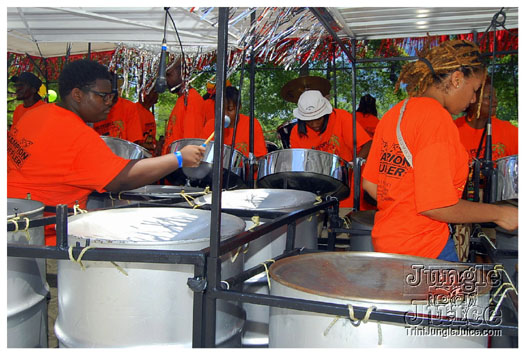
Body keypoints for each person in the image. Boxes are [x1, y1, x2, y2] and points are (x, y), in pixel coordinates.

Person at [7, 59, 205, 245]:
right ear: (77, 95)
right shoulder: (74, 133)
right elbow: (121, 179)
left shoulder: (35, 114)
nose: (110, 102)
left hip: (14, 220)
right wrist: (179, 158)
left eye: (112, 96)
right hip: (39, 239)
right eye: (104, 96)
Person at [362, 39, 518, 261]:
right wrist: (501, 214)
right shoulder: (436, 119)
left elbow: (371, 184)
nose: (473, 99)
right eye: (474, 90)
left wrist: (405, 206)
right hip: (426, 250)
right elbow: (437, 206)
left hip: (387, 243)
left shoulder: (395, 113)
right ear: (456, 79)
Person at [289, 90, 372, 211]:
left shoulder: (342, 117)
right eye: (309, 120)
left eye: (318, 118)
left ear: (326, 114)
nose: (314, 123)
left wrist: (351, 165)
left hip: (347, 190)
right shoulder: (296, 133)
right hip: (315, 193)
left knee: (343, 226)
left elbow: (368, 144)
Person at [455, 77, 518, 163]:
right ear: (472, 98)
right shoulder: (453, 129)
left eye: (495, 97)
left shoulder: (508, 130)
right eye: (489, 97)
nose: (495, 101)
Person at [201, 86, 267, 159]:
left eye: (230, 109)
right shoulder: (211, 125)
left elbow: (261, 158)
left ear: (239, 107)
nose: (225, 114)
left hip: (243, 169)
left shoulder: (252, 124)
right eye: (221, 109)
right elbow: (203, 156)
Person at [162, 58, 206, 154]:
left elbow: (190, 143)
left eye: (169, 75)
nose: (166, 79)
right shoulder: (182, 99)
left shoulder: (192, 100)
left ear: (183, 74)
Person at [136, 87, 159, 155]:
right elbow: (134, 143)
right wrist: (154, 146)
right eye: (154, 91)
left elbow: (151, 137)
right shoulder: (135, 111)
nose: (157, 95)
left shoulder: (149, 114)